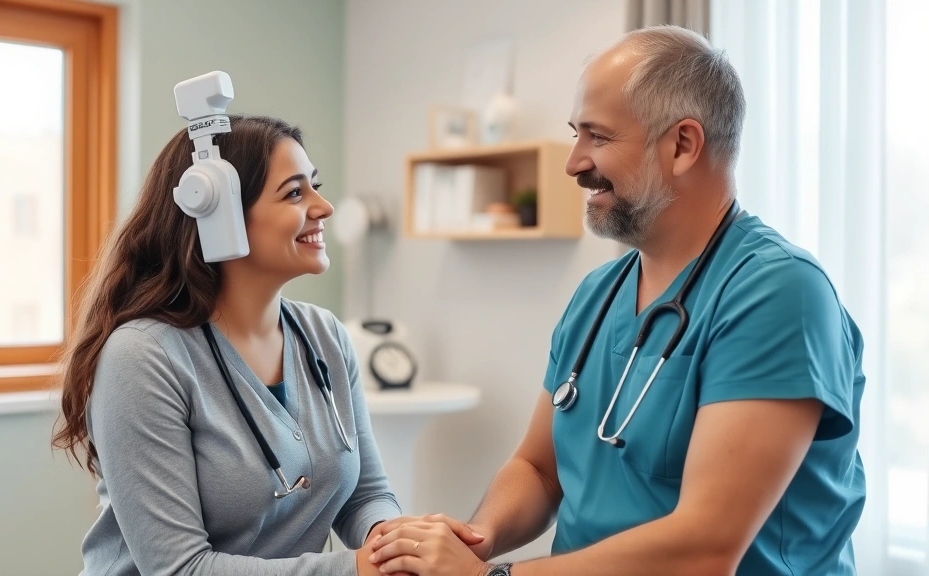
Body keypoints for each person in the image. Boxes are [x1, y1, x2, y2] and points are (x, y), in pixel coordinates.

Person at [367, 25, 866, 576]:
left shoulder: (778, 292)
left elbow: (706, 547)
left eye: (597, 137)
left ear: (682, 145)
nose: (573, 162)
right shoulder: (598, 295)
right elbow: (538, 469)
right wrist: (471, 542)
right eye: (575, 135)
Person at [51, 114, 480, 575]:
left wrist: (397, 546)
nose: (324, 207)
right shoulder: (143, 358)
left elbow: (366, 495)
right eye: (295, 193)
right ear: (220, 216)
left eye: (315, 186)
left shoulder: (326, 335)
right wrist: (355, 569)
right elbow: (179, 569)